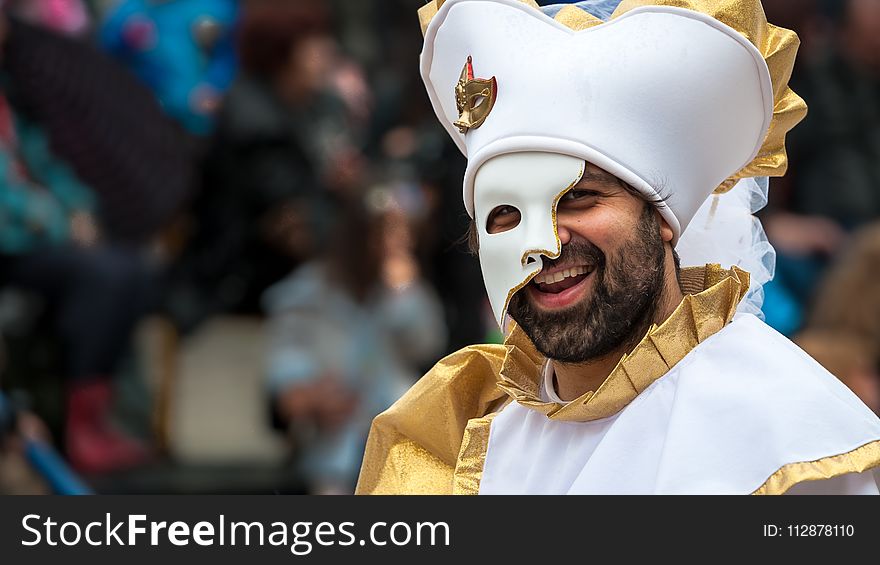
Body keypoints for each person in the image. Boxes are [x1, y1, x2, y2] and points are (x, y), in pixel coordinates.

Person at [356, 0, 880, 495]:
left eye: (580, 199)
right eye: (506, 216)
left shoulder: (786, 439)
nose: (544, 243)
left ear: (662, 217)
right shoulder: (458, 438)